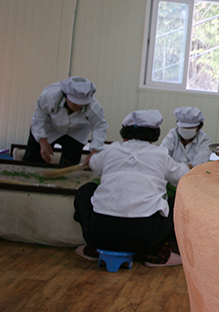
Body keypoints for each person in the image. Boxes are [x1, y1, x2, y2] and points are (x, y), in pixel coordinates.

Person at [73, 110, 190, 267]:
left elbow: (93, 163)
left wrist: (93, 158)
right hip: (142, 237)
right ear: (154, 134)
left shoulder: (111, 149)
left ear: (124, 132)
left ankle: (93, 247)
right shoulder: (160, 154)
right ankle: (159, 253)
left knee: (86, 189)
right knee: (178, 201)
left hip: (99, 232)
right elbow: (183, 175)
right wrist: (187, 166)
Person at [23, 76, 108, 166]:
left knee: (69, 164)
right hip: (50, 127)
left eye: (82, 104)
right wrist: (42, 141)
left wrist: (95, 151)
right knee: (34, 159)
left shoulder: (94, 107)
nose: (78, 106)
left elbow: (100, 126)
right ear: (65, 96)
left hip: (77, 132)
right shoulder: (49, 97)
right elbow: (39, 118)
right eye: (74, 103)